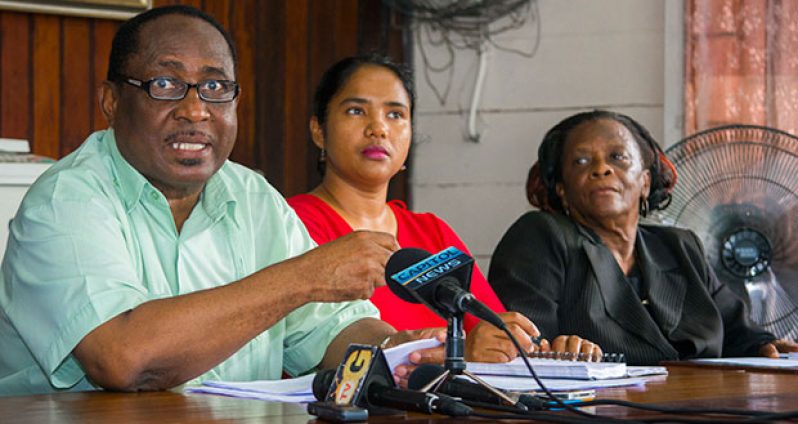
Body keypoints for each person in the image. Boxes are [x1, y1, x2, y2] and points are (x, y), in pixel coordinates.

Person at [0, 6, 428, 396]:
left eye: (214, 86)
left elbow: (329, 328)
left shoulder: (253, 197)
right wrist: (302, 278)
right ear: (111, 102)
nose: (195, 110)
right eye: (165, 84)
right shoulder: (66, 199)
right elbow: (123, 358)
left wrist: (398, 349)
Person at [287, 54, 601, 365]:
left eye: (395, 114)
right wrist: (459, 350)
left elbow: (491, 335)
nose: (378, 128)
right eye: (356, 111)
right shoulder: (289, 223)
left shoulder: (431, 231)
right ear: (318, 130)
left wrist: (552, 353)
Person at [488, 110, 798, 365]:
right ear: (561, 189)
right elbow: (522, 346)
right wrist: (558, 350)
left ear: (646, 182)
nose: (601, 169)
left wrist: (766, 347)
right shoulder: (540, 236)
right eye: (581, 161)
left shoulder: (680, 246)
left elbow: (738, 331)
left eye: (617, 156)